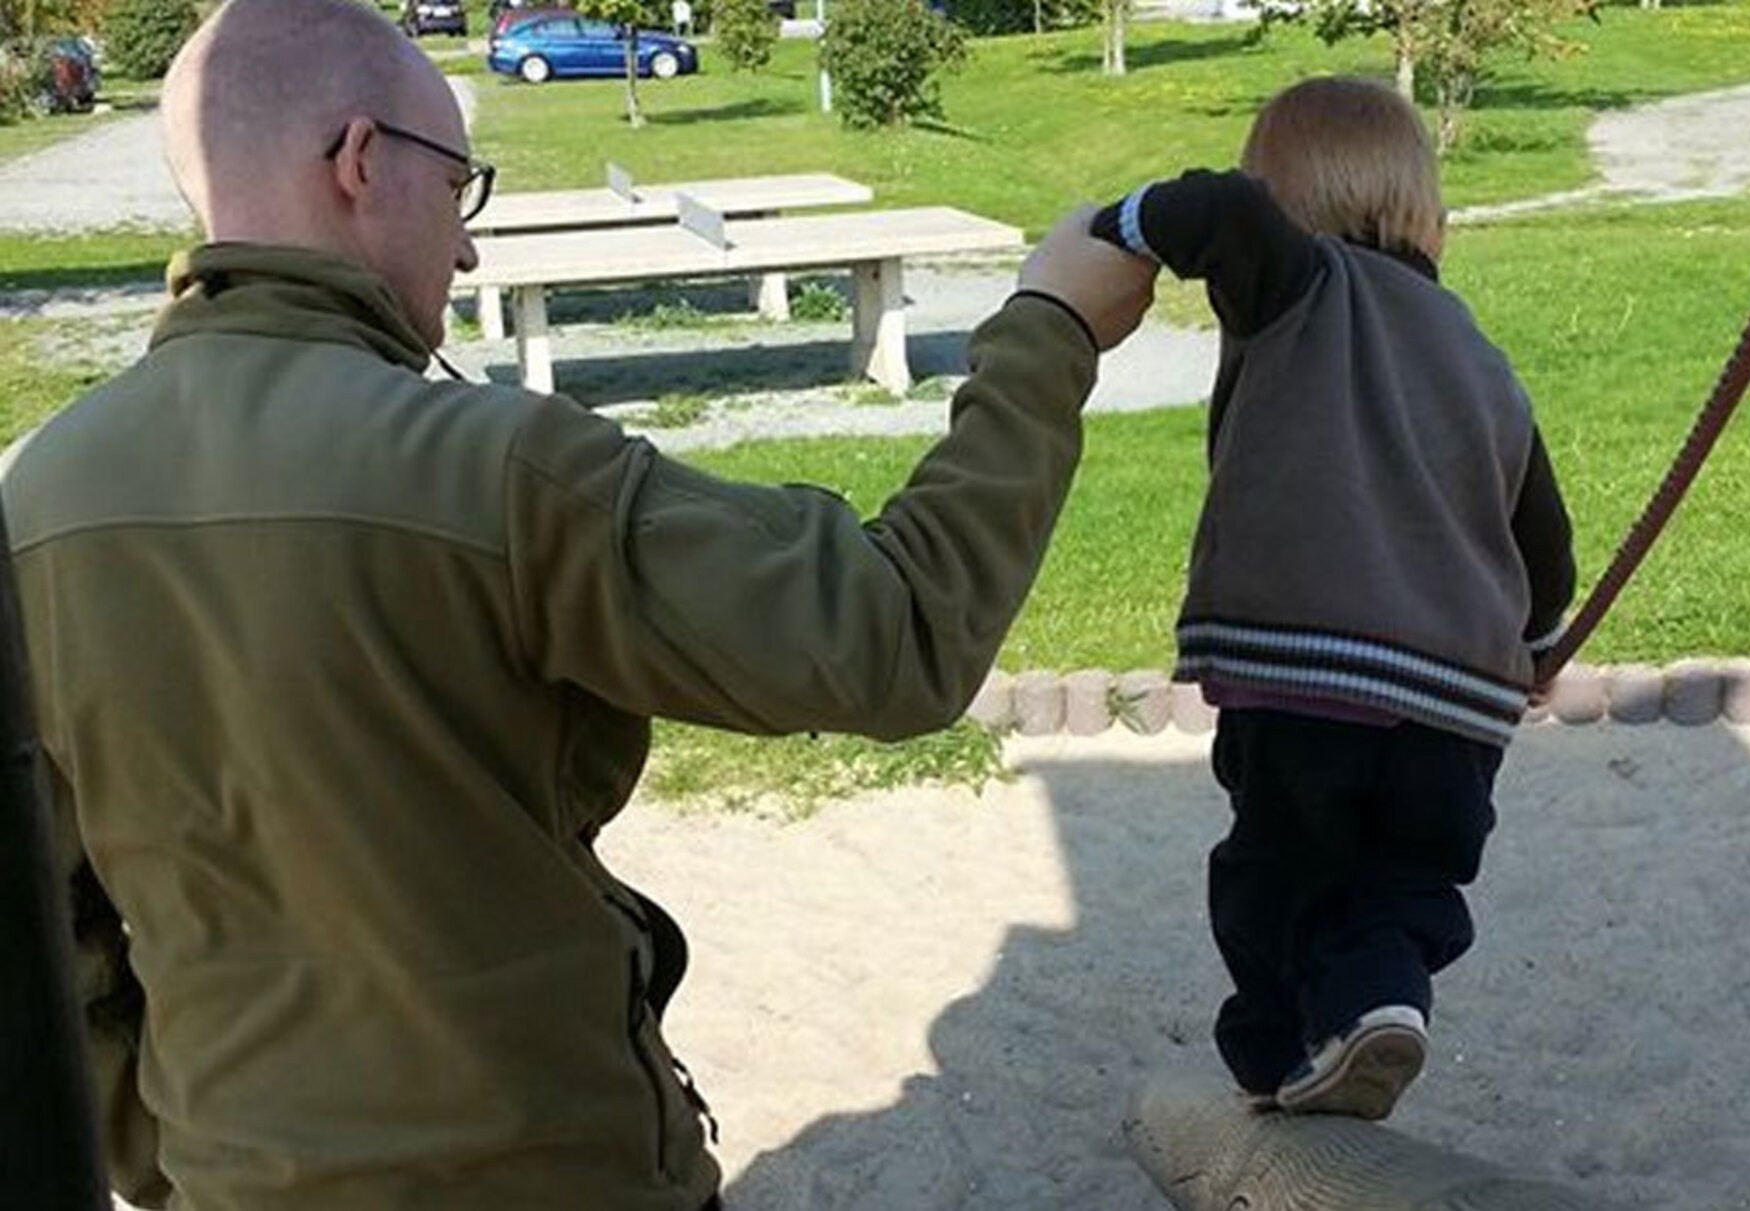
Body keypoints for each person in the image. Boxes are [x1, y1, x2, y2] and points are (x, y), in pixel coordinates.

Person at [0, 0, 1156, 1206]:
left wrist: (186, 1154)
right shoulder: (500, 470)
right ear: (360, 160)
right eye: (458, 187)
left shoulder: (34, 498)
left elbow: (50, 929)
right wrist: (1052, 328)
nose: (465, 250)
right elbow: (893, 632)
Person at [1088, 76, 1576, 1121]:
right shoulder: (1481, 355)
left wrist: (1113, 228)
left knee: (1277, 870)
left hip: (1309, 673)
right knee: (1405, 878)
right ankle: (1381, 999)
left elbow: (1219, 211)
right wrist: (1538, 643)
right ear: (1428, 213)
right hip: (1455, 707)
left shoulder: (1296, 281)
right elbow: (1542, 531)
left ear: (1285, 204)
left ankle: (1271, 1056)